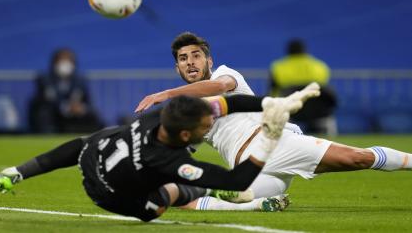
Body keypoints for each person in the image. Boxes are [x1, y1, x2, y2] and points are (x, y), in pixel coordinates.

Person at [136, 32, 412, 211]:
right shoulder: (183, 110)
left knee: (358, 158)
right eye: (183, 59)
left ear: (209, 59)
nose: (190, 62)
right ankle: (260, 205)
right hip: (248, 168)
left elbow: (215, 87)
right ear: (177, 68)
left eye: (196, 55)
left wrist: (167, 93)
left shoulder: (224, 74)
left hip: (272, 144)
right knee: (185, 196)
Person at [0, 93, 305, 221]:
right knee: (162, 201)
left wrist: (271, 103)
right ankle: (208, 193)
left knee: (84, 143)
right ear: (186, 136)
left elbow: (224, 104)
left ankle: (8, 174)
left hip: (97, 149)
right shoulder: (170, 163)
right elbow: (238, 178)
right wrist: (271, 135)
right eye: (207, 125)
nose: (210, 124)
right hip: (108, 194)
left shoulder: (163, 116)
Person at [269, 38, 338, 135]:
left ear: (288, 51)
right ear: (305, 50)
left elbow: (273, 92)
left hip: (292, 112)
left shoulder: (278, 67)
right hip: (319, 111)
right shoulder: (320, 66)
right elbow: (325, 91)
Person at [28, 48, 104, 133]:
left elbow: (88, 102)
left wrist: (82, 108)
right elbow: (47, 100)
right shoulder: (44, 79)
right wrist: (66, 107)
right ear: (54, 62)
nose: (65, 64)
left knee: (93, 115)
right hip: (54, 114)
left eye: (68, 60)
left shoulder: (80, 81)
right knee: (44, 114)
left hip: (74, 116)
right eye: (62, 60)